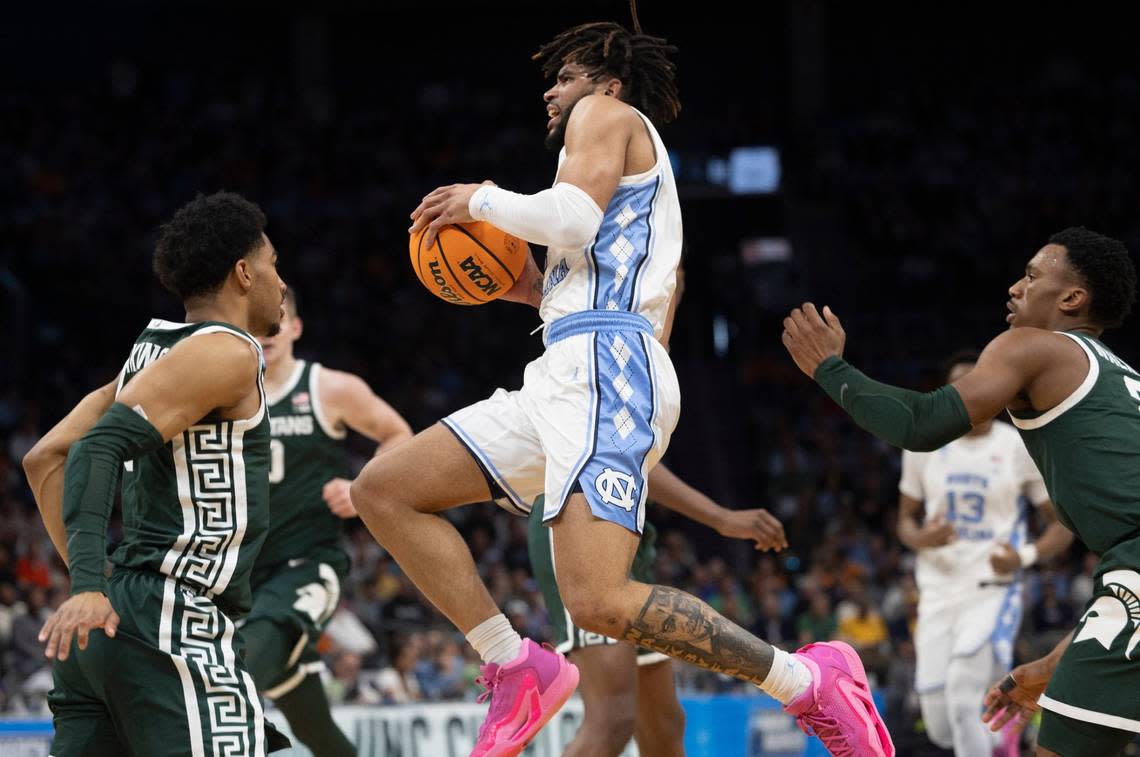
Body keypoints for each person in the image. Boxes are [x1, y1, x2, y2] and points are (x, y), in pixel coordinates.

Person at [351, 14, 893, 757]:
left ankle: (807, 679)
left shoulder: (608, 114)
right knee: (384, 488)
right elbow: (585, 254)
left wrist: (481, 198)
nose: (552, 90)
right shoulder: (612, 168)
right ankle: (514, 663)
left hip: (607, 368)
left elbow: (570, 219)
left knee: (599, 598)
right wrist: (531, 289)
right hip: (569, 365)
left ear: (605, 81)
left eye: (565, 76)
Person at [781, 227, 1139, 756]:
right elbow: (1125, 590)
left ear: (1072, 298)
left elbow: (922, 423)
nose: (1015, 288)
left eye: (1033, 276)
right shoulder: (1118, 375)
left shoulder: (1034, 348)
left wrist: (830, 369)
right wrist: (1044, 668)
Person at [21, 191, 288, 756]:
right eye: (273, 265)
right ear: (243, 273)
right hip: (173, 617)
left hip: (117, 627)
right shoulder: (229, 353)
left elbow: (44, 457)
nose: (280, 282)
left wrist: (102, 587)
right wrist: (91, 584)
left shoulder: (150, 355)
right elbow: (95, 450)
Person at [241, 289, 413, 756]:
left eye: (277, 322)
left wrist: (362, 486)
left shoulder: (328, 388)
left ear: (296, 328)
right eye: (256, 324)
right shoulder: (223, 395)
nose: (268, 333)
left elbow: (399, 434)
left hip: (305, 564)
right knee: (313, 727)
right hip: (235, 578)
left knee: (232, 678)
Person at [527, 464, 788, 756]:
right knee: (613, 720)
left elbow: (641, 458)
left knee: (663, 725)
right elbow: (627, 451)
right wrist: (720, 517)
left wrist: (720, 518)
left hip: (624, 527)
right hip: (579, 514)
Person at [898, 350, 1073, 756]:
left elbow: (1061, 525)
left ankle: (997, 740)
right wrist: (923, 538)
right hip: (938, 592)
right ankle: (1005, 741)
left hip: (991, 589)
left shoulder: (1015, 445)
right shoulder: (923, 444)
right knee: (942, 726)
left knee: (963, 696)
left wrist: (1023, 557)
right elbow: (903, 523)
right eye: (959, 387)